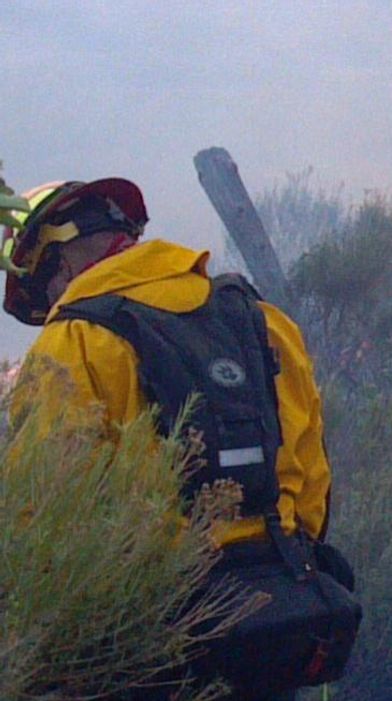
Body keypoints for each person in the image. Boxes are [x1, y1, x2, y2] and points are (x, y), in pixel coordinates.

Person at [1, 178, 358, 700]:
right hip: (277, 626)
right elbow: (313, 493)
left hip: (146, 644)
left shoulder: (73, 343)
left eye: (42, 292)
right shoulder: (263, 321)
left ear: (56, 260)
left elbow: (42, 517)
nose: (52, 305)